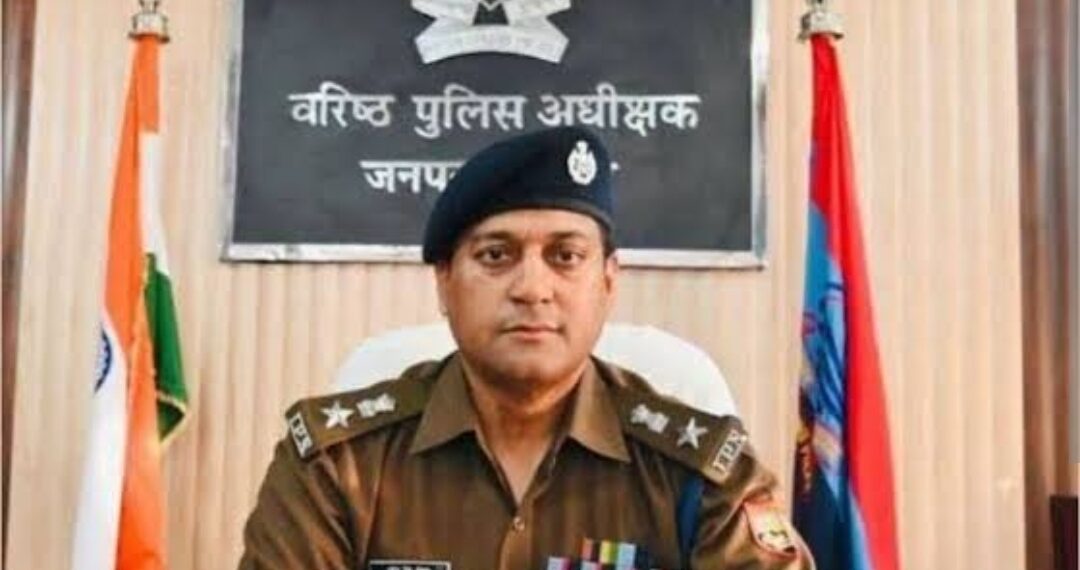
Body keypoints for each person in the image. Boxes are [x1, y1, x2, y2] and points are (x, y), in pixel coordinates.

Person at [239, 126, 815, 570]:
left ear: (608, 281)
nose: (533, 288)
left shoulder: (704, 476)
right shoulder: (336, 466)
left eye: (566, 256)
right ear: (444, 282)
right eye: (496, 255)